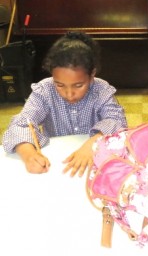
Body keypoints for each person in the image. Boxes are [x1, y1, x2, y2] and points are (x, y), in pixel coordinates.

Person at [2, 31, 127, 177]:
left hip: (95, 163)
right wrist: (28, 154)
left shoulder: (101, 90)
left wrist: (94, 143)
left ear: (92, 74)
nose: (69, 94)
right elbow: (21, 123)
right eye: (60, 85)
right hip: (57, 164)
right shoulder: (45, 90)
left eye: (78, 85)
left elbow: (117, 121)